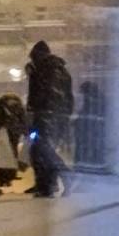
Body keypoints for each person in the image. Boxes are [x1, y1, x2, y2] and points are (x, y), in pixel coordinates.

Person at [25, 41, 74, 197]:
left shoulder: (44, 71)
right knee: (41, 149)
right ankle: (46, 184)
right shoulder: (59, 71)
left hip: (45, 116)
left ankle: (58, 179)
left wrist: (34, 112)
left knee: (41, 149)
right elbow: (66, 97)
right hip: (55, 116)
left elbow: (40, 95)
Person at [0, 94, 27, 187]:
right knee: (12, 152)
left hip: (4, 130)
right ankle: (10, 174)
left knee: (3, 153)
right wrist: (24, 130)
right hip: (14, 130)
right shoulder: (18, 105)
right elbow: (22, 119)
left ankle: (2, 175)